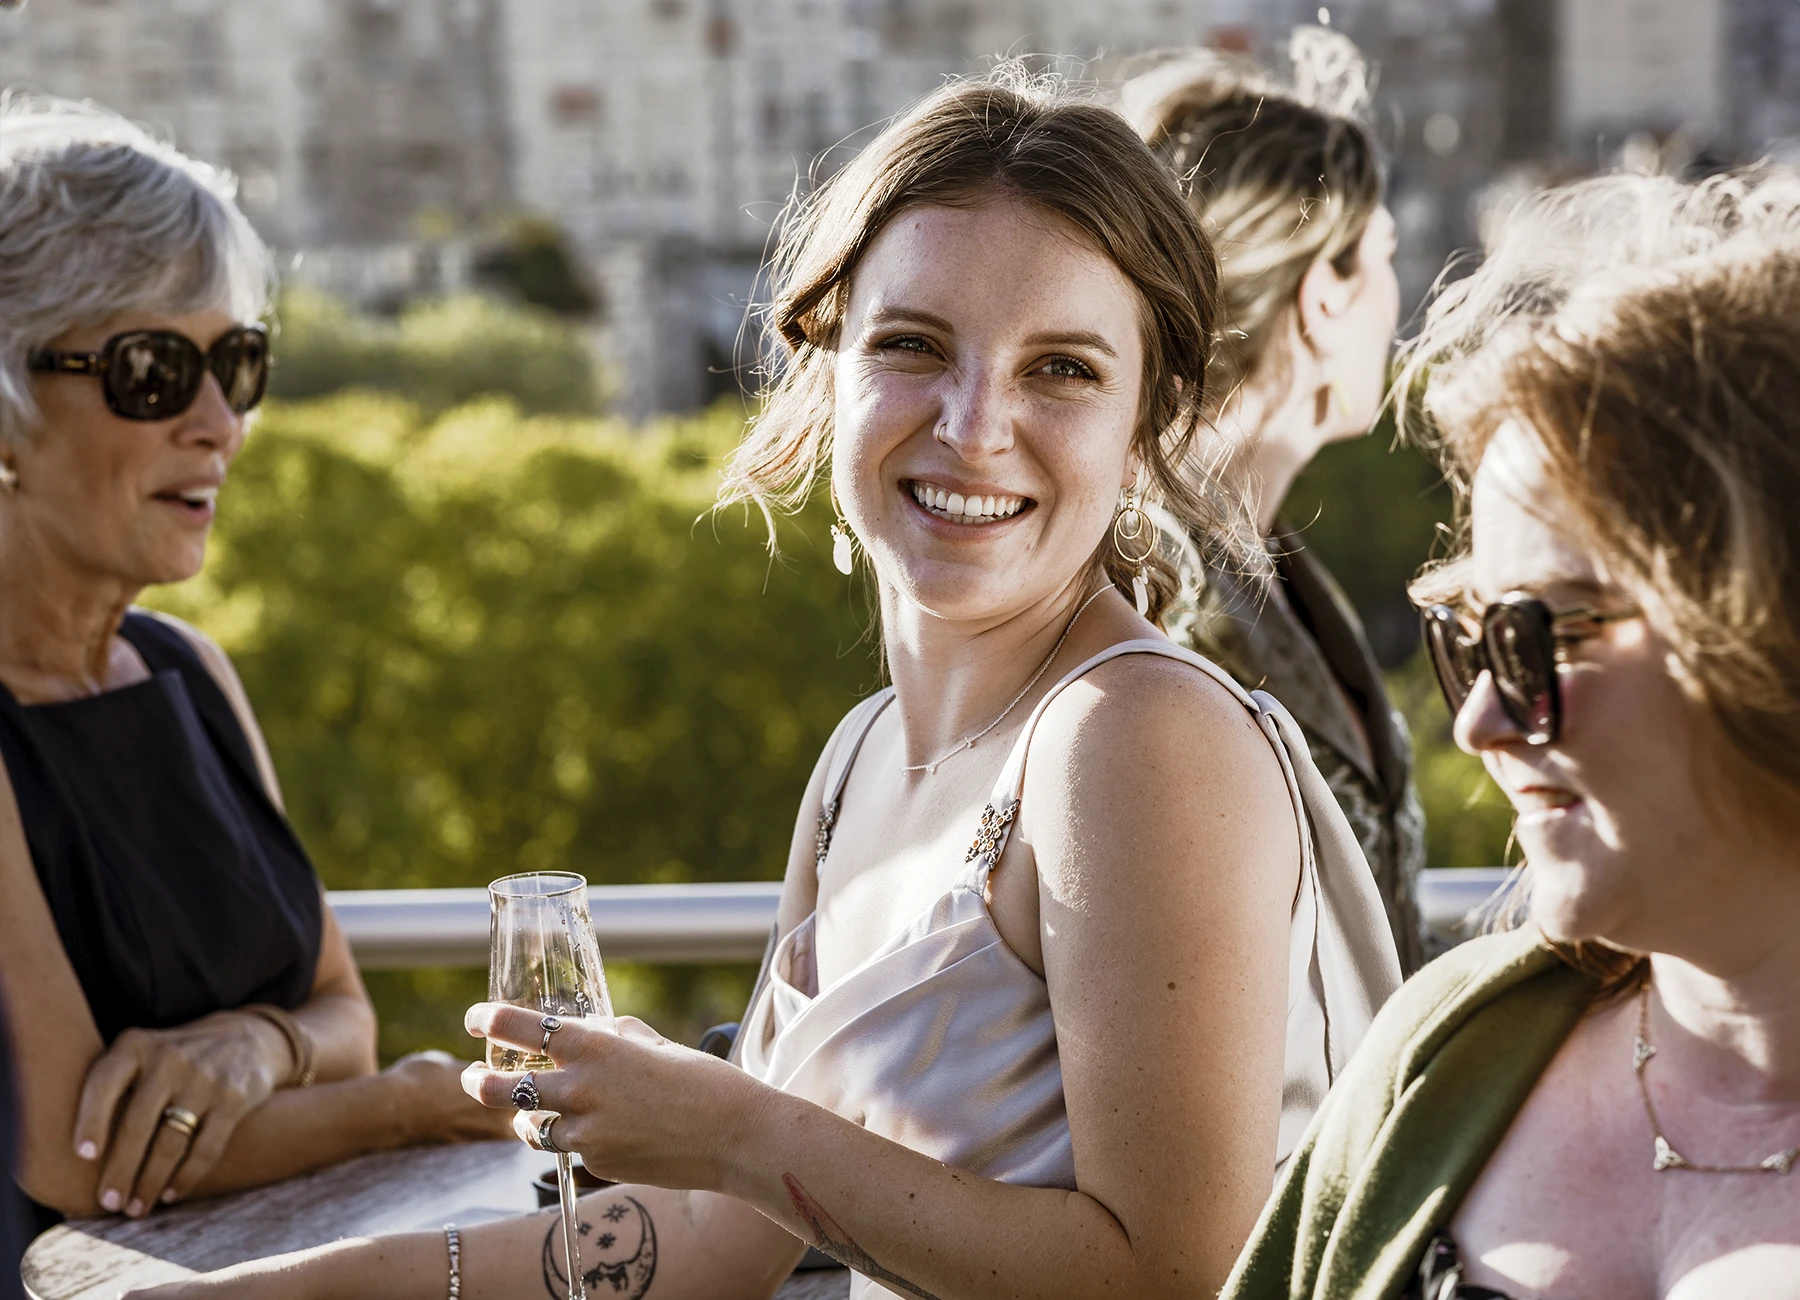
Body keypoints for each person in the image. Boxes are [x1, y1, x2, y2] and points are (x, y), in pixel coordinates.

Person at [127, 71, 1401, 1300]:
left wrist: (730, 1125)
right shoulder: (858, 759)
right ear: (823, 367)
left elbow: (1177, 1276)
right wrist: (273, 1290)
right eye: (912, 344)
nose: (972, 423)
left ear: (1145, 423)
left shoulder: (1134, 736)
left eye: (1061, 368)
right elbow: (705, 1243)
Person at [1221, 169, 1800, 1299]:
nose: (1481, 719)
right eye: (1472, 638)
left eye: (1542, 636)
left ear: (1763, 619)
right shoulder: (1442, 1058)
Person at [0, 96, 508, 1231]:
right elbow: (76, 1155)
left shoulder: (188, 671)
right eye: (153, 371)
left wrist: (254, 1041)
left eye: (237, 361)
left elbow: (339, 1013)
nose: (222, 422)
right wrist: (408, 1106)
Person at [1121, 28, 1427, 974]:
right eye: (1384, 256)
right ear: (1324, 297)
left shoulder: (1257, 554)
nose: (1398, 295)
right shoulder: (1150, 581)